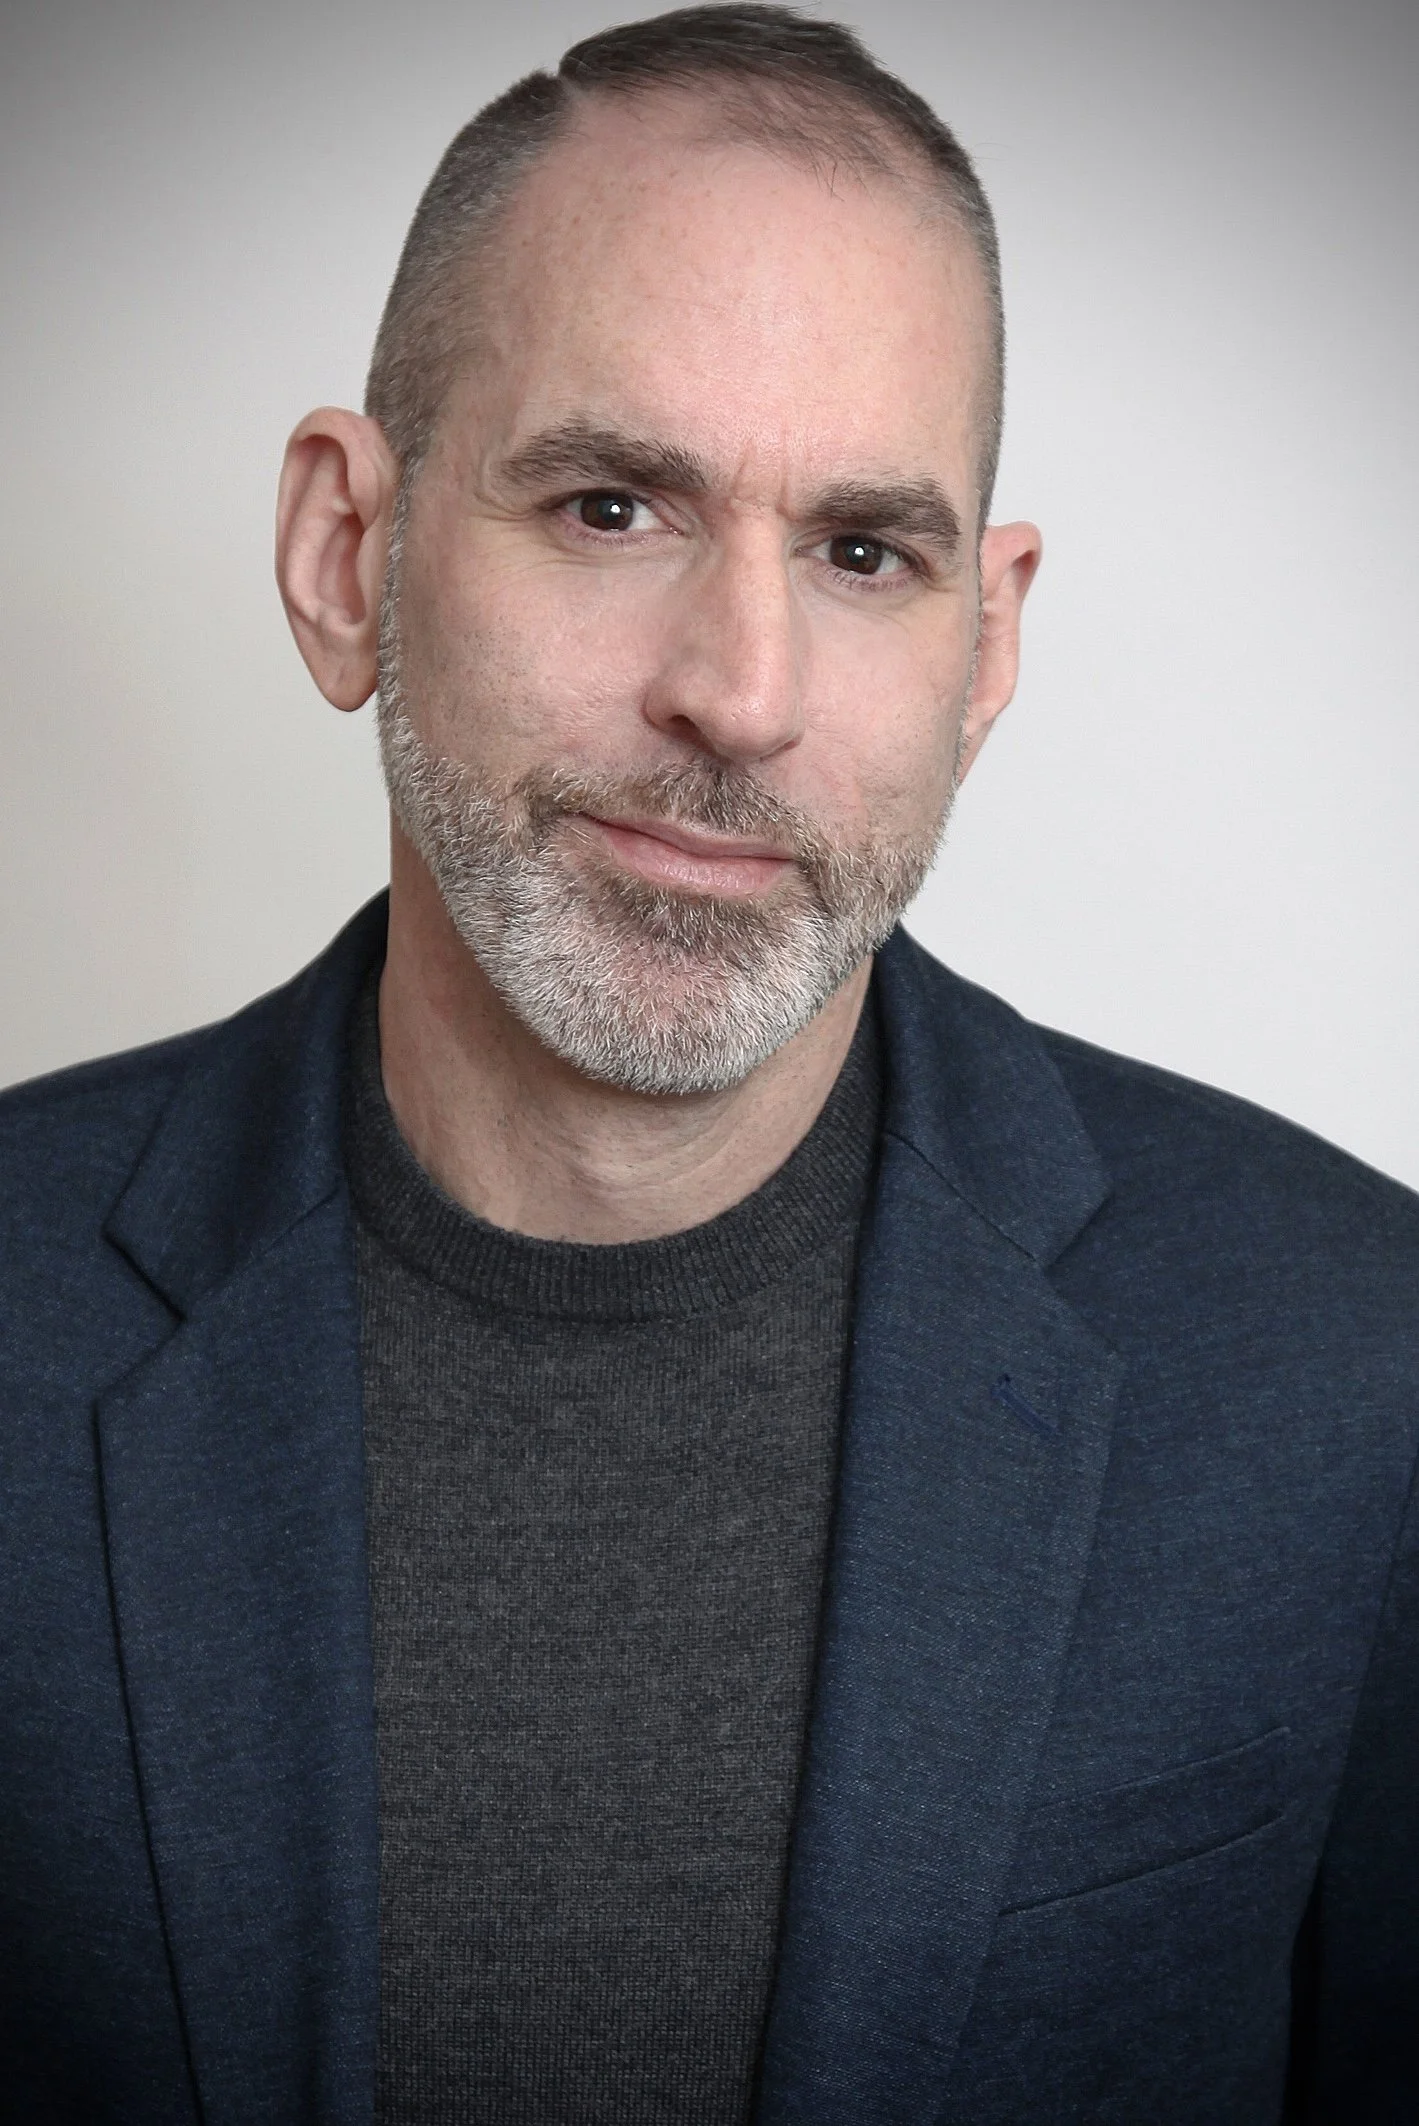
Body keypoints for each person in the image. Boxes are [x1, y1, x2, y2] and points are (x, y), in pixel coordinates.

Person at [1, 5, 1415, 2121]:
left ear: (984, 645)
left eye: (861, 553)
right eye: (609, 506)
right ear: (345, 551)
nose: (740, 694)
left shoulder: (1354, 1357)